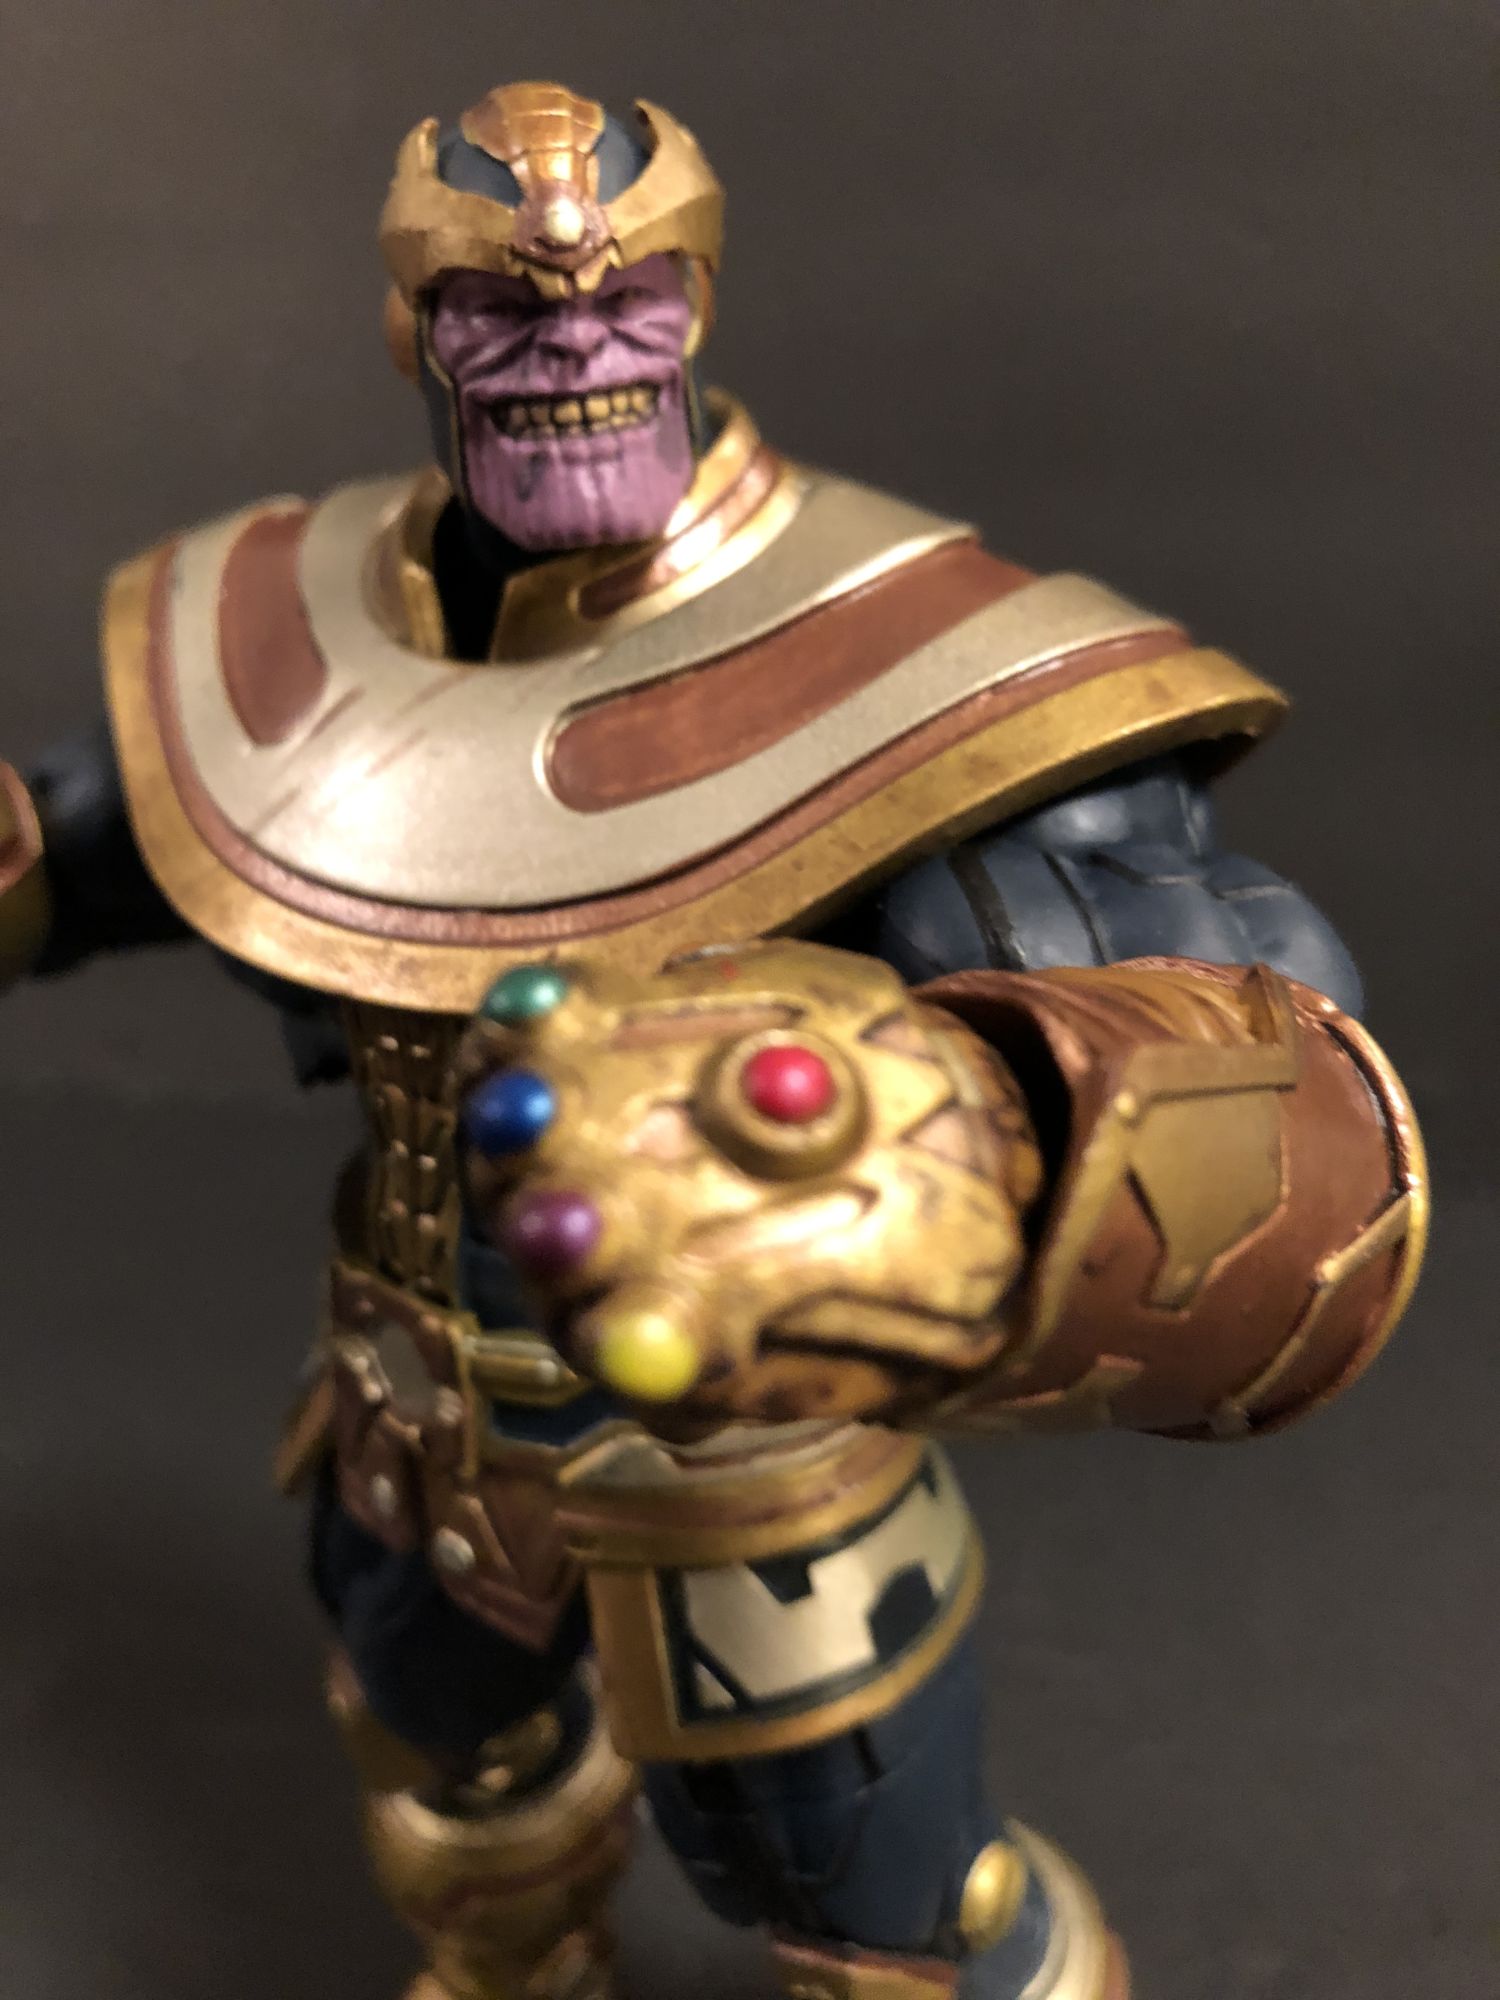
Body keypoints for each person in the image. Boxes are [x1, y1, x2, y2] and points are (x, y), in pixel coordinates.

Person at [0, 80, 1426, 2000]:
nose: (575, 350)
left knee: (896, 1930)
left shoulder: (910, 648)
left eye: (628, 301)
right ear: (417, 328)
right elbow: (116, 838)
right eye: (505, 308)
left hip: (742, 1459)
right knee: (461, 1803)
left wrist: (972, 1134)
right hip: (417, 1411)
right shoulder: (293, 616)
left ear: (694, 303)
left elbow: (1245, 1028)